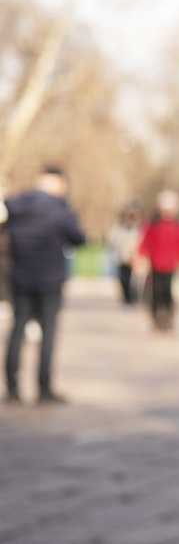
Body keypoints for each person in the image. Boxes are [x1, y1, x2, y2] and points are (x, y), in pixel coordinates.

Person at [3, 167, 85, 404]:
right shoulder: (59, 208)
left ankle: (12, 388)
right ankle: (44, 388)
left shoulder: (15, 205)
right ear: (59, 183)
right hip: (50, 280)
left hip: (20, 277)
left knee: (17, 331)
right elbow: (78, 238)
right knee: (47, 332)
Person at [137, 191, 179, 332]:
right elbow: (145, 242)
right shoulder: (153, 225)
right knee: (155, 294)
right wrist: (140, 257)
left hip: (173, 267)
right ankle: (157, 319)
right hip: (156, 266)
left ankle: (168, 319)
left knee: (170, 295)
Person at [106, 202, 144, 305]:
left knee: (136, 280)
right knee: (124, 279)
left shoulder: (139, 228)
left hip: (135, 258)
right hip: (122, 257)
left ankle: (134, 298)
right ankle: (126, 297)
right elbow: (113, 238)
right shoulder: (119, 227)